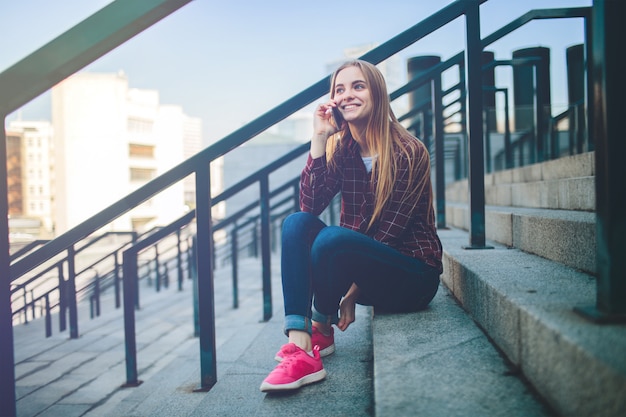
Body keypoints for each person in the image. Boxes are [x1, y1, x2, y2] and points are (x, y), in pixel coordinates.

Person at [260, 60, 443, 393]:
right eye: (339, 89)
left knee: (331, 240)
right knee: (296, 224)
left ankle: (319, 324)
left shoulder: (408, 151)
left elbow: (389, 234)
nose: (347, 95)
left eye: (358, 86)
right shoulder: (342, 147)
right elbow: (309, 207)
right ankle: (303, 343)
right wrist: (318, 138)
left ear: (377, 93)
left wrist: (351, 294)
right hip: (365, 269)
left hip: (413, 277)